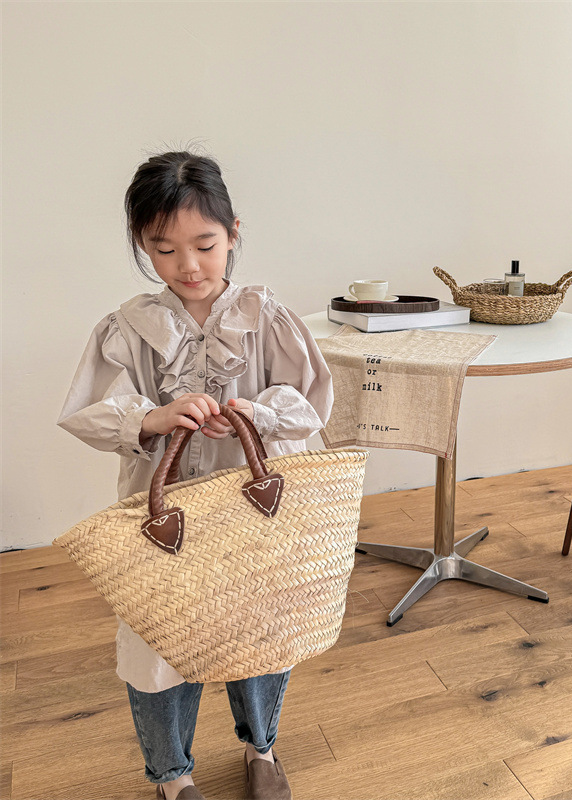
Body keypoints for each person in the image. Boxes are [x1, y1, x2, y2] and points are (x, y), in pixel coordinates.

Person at [58, 150, 333, 800]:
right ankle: (172, 776)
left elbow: (312, 400)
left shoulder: (265, 317)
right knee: (158, 641)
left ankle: (261, 748)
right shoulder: (129, 330)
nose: (187, 266)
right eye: (163, 249)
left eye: (205, 245)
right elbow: (85, 412)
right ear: (141, 246)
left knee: (260, 630)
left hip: (255, 515)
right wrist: (152, 418)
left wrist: (259, 414)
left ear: (233, 233)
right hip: (165, 520)